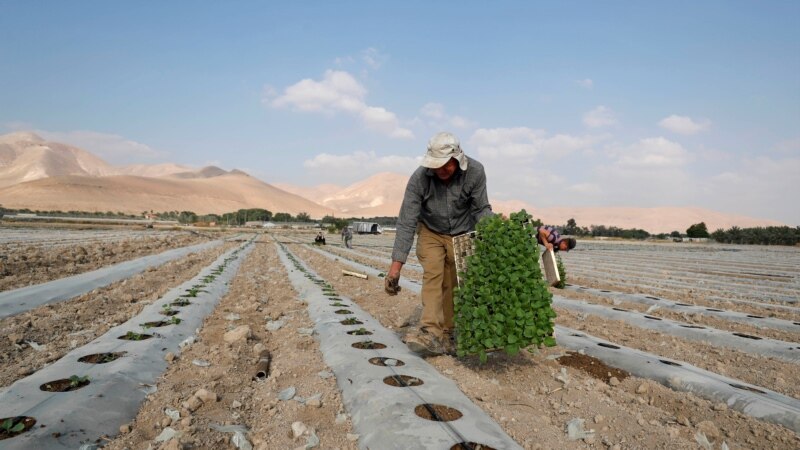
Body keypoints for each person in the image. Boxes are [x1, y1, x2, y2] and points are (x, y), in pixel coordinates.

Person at [385, 132, 493, 357]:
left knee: (454, 281)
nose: (441, 171)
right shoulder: (419, 179)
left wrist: (499, 229)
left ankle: (450, 332)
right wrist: (395, 269)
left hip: (461, 231)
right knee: (433, 274)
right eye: (436, 166)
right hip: (430, 231)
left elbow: (481, 209)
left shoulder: (475, 172)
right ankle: (431, 333)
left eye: (446, 166)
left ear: (458, 159)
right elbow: (406, 221)